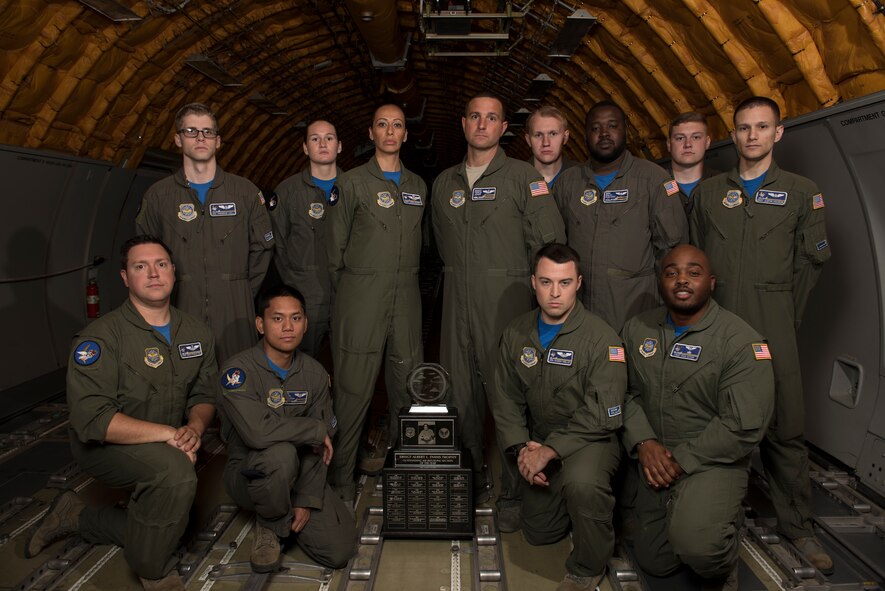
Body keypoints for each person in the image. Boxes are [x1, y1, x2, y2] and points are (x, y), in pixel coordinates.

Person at [690, 96, 833, 572]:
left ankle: (799, 526)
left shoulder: (800, 191)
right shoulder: (710, 194)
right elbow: (693, 262)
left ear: (779, 132)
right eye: (744, 128)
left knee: (785, 427)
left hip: (775, 326)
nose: (752, 135)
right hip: (716, 328)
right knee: (709, 419)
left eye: (762, 127)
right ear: (732, 135)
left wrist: (783, 316)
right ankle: (706, 518)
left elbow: (812, 263)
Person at [26, 235, 217, 591]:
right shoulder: (100, 338)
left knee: (176, 517)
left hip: (166, 441)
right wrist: (170, 435)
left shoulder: (197, 333)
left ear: (174, 272)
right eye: (140, 266)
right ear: (125, 278)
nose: (153, 273)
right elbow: (93, 419)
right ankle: (155, 569)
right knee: (176, 478)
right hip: (105, 446)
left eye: (161, 264)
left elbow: (205, 393)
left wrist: (195, 425)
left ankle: (77, 515)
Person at [431, 91, 565, 527]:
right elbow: (437, 243)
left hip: (506, 300)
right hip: (456, 300)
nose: (483, 125)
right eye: (475, 117)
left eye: (492, 118)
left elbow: (549, 248)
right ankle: (467, 477)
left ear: (504, 128)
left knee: (508, 397)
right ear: (464, 124)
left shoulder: (524, 178)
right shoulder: (445, 182)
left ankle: (513, 488)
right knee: (460, 393)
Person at [621, 244, 774, 590]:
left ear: (711, 282)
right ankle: (690, 515)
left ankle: (722, 543)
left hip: (713, 460)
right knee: (655, 562)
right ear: (660, 282)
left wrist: (680, 460)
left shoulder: (740, 342)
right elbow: (622, 393)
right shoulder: (636, 330)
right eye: (671, 272)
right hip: (655, 456)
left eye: (693, 272)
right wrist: (643, 442)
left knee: (699, 548)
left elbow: (743, 427)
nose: (681, 280)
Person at [491, 243, 624, 591]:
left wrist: (550, 451)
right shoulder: (517, 333)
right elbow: (505, 399)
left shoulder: (601, 338)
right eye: (546, 282)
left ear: (578, 283)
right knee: (538, 534)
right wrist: (523, 451)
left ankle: (586, 567)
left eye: (564, 283)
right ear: (533, 282)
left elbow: (603, 413)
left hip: (590, 440)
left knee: (583, 485)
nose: (554, 293)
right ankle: (565, 504)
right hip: (539, 440)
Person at [217, 284, 357, 572]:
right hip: (249, 473)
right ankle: (268, 524)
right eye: (277, 318)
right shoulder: (238, 372)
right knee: (279, 454)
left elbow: (323, 444)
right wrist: (313, 429)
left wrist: (305, 500)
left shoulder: (314, 374)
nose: (288, 327)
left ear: (305, 324)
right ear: (260, 324)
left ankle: (286, 511)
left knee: (339, 551)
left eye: (296, 318)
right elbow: (257, 433)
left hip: (301, 473)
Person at [326, 104, 426, 503]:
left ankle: (405, 472)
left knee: (409, 386)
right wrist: (357, 289)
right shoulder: (350, 184)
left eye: (397, 125)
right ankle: (341, 481)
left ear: (405, 134)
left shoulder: (419, 186)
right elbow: (334, 253)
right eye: (382, 124)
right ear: (371, 133)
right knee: (352, 390)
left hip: (407, 297)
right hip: (360, 296)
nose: (390, 131)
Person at [135, 102, 275, 363]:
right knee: (185, 385)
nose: (200, 138)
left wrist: (239, 287)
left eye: (207, 132)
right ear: (178, 139)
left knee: (238, 382)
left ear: (218, 141)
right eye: (191, 131)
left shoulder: (244, 192)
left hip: (235, 310)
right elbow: (143, 255)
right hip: (180, 307)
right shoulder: (158, 196)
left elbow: (263, 249)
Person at [555, 100, 689, 332]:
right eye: (595, 128)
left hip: (637, 315)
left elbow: (672, 251)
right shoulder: (568, 183)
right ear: (585, 135)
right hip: (579, 314)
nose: (604, 133)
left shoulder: (653, 179)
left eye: (612, 126)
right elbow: (555, 248)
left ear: (625, 129)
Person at [267, 120, 342, 358]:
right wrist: (294, 283)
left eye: (329, 138)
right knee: (302, 362)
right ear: (305, 147)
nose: (322, 144)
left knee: (350, 364)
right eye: (315, 138)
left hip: (347, 294)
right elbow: (277, 243)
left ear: (339, 146)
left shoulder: (354, 188)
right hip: (305, 296)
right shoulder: (288, 192)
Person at [666, 111, 717, 213]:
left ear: (707, 143)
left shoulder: (723, 185)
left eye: (696, 137)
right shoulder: (653, 187)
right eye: (680, 138)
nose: (688, 144)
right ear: (669, 144)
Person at [525, 105, 576, 188]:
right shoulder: (514, 179)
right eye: (538, 135)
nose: (546, 143)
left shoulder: (583, 178)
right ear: (528, 140)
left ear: (565, 137)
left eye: (553, 134)